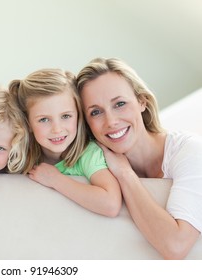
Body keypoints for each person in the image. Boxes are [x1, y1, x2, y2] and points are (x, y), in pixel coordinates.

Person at [76, 57, 202, 259]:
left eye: (120, 104)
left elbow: (176, 246)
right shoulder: (97, 172)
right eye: (96, 112)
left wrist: (125, 174)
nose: (111, 121)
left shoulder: (190, 150)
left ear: (141, 101)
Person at [8, 68, 121, 217]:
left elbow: (111, 204)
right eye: (44, 119)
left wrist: (56, 180)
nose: (57, 129)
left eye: (66, 116)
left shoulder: (88, 154)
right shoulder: (20, 154)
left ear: (78, 115)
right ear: (27, 123)